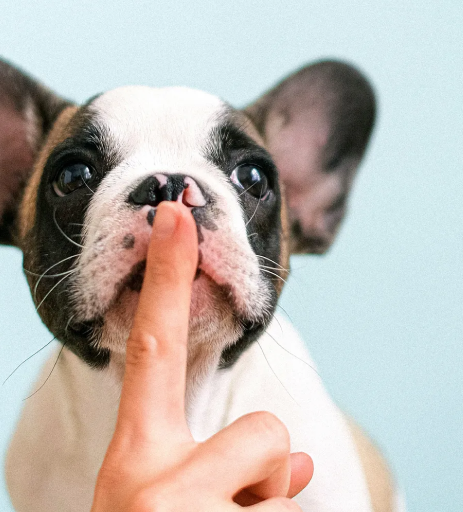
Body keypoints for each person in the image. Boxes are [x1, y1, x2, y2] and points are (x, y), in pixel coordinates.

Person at [91, 201, 314, 511]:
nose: (176, 206)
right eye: (76, 177)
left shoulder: (316, 434)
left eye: (249, 180)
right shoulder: (34, 470)